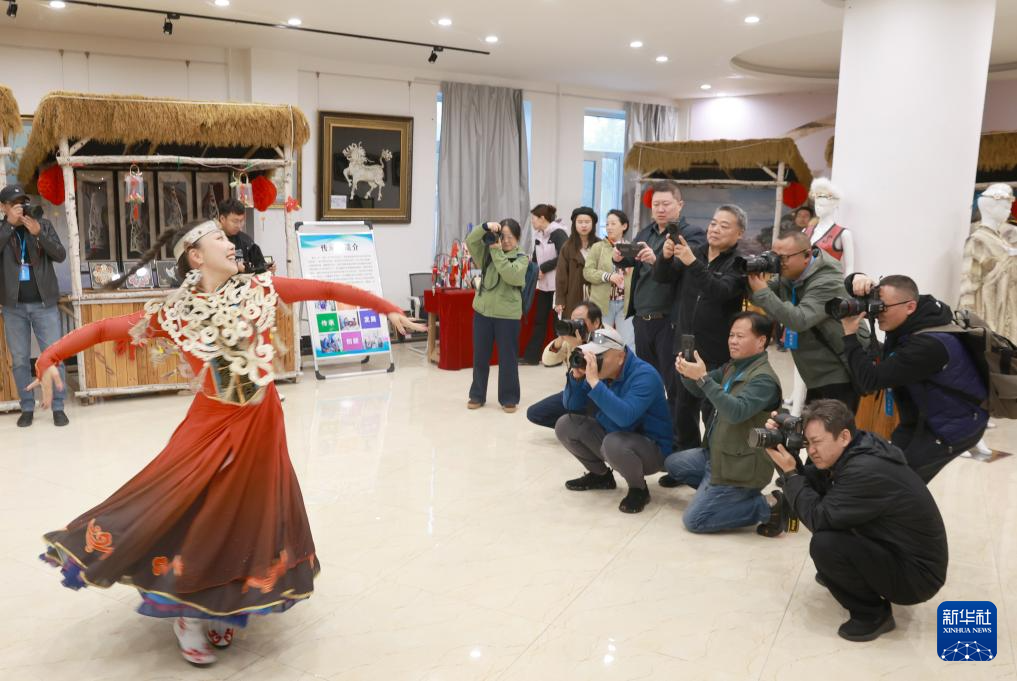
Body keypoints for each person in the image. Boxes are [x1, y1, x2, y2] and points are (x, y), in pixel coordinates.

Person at [29, 219, 423, 665]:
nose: (230, 243)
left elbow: (328, 289)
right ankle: (188, 613)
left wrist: (386, 308)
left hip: (263, 421)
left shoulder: (261, 288)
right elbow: (103, 330)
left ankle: (223, 604)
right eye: (219, 238)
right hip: (212, 425)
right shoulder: (174, 313)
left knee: (247, 515)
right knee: (198, 510)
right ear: (196, 256)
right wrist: (48, 358)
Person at [764, 399, 947, 643]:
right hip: (896, 549)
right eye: (808, 443)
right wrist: (784, 453)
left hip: (916, 578)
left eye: (817, 442)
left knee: (825, 544)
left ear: (843, 436)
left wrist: (790, 473)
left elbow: (818, 518)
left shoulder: (865, 470)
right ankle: (852, 576)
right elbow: (809, 481)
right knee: (823, 504)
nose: (812, 451)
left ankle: (873, 615)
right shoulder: (859, 447)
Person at [840, 274, 988, 482]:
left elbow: (870, 381)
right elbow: (859, 288)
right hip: (920, 418)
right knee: (889, 475)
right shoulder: (917, 315)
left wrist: (849, 335)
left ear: (910, 307)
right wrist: (857, 279)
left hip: (951, 426)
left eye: (883, 307)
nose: (877, 312)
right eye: (876, 305)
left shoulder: (927, 345)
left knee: (902, 484)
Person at [664, 312, 783, 533]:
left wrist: (703, 378)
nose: (733, 341)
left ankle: (768, 506)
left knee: (694, 521)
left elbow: (735, 412)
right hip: (719, 455)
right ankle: (721, 495)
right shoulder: (734, 366)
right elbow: (699, 390)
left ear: (761, 341)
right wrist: (687, 373)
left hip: (741, 466)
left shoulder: (763, 379)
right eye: (731, 335)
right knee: (673, 464)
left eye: (740, 336)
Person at [654, 204, 748, 455]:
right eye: (713, 223)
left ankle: (711, 463)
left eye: (724, 226)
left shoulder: (739, 264)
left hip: (716, 351)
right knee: (682, 409)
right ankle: (685, 462)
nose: (715, 229)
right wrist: (665, 257)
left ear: (739, 233)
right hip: (685, 343)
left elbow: (719, 291)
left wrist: (693, 263)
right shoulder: (697, 252)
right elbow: (662, 277)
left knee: (711, 411)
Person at [555, 327, 672, 513]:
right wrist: (576, 378)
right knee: (566, 425)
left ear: (620, 357)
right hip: (616, 436)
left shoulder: (645, 375)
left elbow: (625, 417)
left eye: (599, 355)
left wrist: (594, 383)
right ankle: (601, 476)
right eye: (592, 354)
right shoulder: (602, 373)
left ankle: (638, 489)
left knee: (613, 442)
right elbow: (571, 405)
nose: (594, 360)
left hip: (653, 449)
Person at [748, 228, 861, 412]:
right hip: (815, 371)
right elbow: (758, 296)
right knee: (812, 426)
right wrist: (747, 276)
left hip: (838, 370)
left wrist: (761, 291)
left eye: (783, 258)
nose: (777, 262)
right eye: (773, 256)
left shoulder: (827, 281)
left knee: (832, 428)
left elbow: (799, 320)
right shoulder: (790, 274)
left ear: (807, 255)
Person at [614, 181, 706, 386]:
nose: (660, 209)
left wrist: (656, 260)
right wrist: (618, 257)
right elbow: (629, 259)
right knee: (647, 379)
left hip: (670, 321)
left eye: (666, 204)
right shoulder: (646, 233)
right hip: (642, 318)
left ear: (680, 205)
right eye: (656, 205)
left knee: (673, 382)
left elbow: (681, 269)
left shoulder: (692, 234)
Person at [0, 184, 69, 427]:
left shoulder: (43, 225)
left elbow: (60, 254)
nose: (20, 207)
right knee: (20, 360)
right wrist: (9, 226)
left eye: (22, 202)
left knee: (54, 357)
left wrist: (39, 233)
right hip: (13, 308)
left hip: (44, 304)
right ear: (3, 207)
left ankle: (58, 407)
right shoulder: (2, 230)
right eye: (14, 204)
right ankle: (27, 407)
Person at [465, 219, 528, 413]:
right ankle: (477, 395)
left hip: (508, 316)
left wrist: (497, 251)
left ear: (518, 239)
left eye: (511, 237)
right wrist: (485, 227)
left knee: (508, 358)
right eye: (503, 236)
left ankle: (509, 398)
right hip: (482, 311)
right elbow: (470, 241)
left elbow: (510, 275)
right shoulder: (487, 253)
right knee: (480, 356)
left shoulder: (522, 258)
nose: (506, 241)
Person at [526, 300, 604, 429]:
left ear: (596, 322)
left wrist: (580, 347)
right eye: (573, 321)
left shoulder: (606, 337)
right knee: (535, 413)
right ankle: (578, 426)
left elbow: (602, 372)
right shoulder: (573, 336)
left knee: (598, 416)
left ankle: (589, 427)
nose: (576, 324)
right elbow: (547, 360)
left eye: (580, 321)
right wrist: (561, 339)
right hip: (575, 389)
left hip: (599, 394)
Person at [521, 204, 567, 365]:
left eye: (533, 218)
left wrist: (544, 268)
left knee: (557, 324)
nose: (532, 222)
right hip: (543, 285)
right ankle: (532, 357)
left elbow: (563, 256)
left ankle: (556, 358)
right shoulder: (539, 235)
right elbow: (535, 257)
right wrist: (534, 270)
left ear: (542, 218)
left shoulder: (558, 233)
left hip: (557, 285)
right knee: (539, 320)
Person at [584, 209, 634, 350]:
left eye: (613, 223)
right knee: (599, 341)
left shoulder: (631, 248)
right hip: (601, 304)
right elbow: (587, 272)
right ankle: (597, 363)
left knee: (628, 343)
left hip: (625, 304)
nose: (609, 227)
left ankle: (626, 364)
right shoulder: (598, 247)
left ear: (624, 226)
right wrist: (608, 276)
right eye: (607, 224)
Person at [555, 206, 600, 319]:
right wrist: (560, 300)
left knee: (594, 324)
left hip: (596, 294)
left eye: (587, 222)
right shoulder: (567, 247)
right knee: (574, 323)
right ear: (574, 224)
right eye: (580, 222)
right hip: (573, 294)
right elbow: (561, 275)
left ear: (593, 224)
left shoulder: (600, 245)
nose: (583, 225)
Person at [217, 198, 273, 275]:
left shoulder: (246, 241)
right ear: (222, 219)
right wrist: (235, 267)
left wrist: (267, 269)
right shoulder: (212, 241)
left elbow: (260, 265)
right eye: (235, 221)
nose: (239, 225)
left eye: (241, 221)